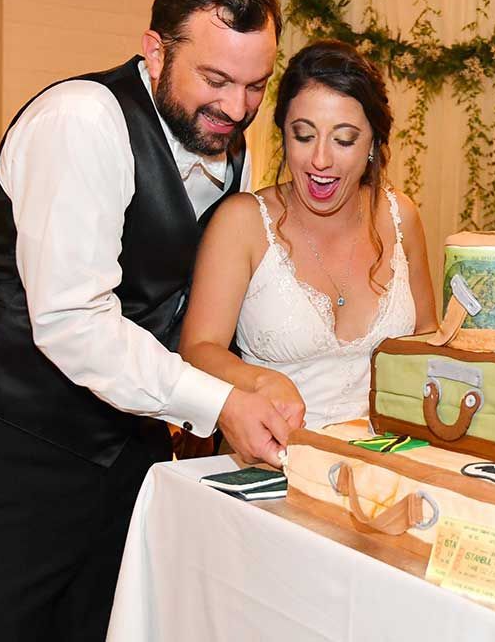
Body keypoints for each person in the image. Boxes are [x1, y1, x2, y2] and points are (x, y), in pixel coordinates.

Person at [0, 0, 305, 640]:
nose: (237, 109)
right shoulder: (80, 121)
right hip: (1, 449)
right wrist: (220, 404)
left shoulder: (222, 139)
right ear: (156, 50)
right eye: (216, 80)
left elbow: (173, 290)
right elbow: (73, 323)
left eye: (255, 86)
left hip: (122, 452)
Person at [178, 40, 438, 429]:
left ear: (372, 144)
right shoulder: (243, 222)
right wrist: (260, 380)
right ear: (283, 134)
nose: (320, 160)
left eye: (344, 140)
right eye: (303, 135)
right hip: (273, 458)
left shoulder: (401, 215)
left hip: (385, 459)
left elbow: (426, 336)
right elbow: (198, 348)